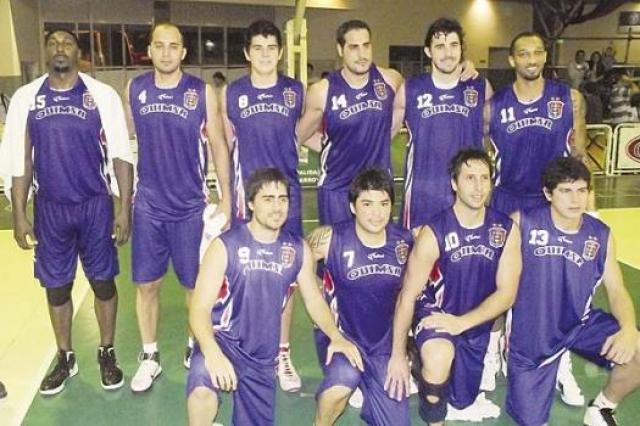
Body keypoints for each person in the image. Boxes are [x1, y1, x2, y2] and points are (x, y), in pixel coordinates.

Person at [0, 29, 133, 395]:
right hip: (51, 209)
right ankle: (65, 356)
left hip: (95, 206)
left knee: (103, 282)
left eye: (68, 43)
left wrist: (124, 208)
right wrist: (19, 213)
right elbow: (20, 160)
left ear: (79, 52)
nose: (60, 48)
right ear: (46, 51)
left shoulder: (101, 96)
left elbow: (121, 154)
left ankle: (106, 351)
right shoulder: (27, 98)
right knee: (57, 288)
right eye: (53, 43)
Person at [187, 168, 362, 426]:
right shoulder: (225, 246)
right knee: (202, 389)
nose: (277, 207)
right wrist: (211, 351)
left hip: (261, 355)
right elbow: (199, 308)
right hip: (222, 341)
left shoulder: (297, 250)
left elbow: (314, 300)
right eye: (268, 199)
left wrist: (336, 336)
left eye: (283, 199)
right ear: (250, 204)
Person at [125, 22, 232, 393]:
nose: (167, 53)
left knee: (194, 286)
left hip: (190, 207)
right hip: (149, 206)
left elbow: (218, 145)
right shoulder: (135, 88)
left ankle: (193, 343)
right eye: (160, 45)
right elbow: (124, 142)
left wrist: (227, 197)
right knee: (147, 285)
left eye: (174, 46)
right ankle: (150, 355)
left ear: (184, 52)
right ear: (149, 51)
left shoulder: (201, 92)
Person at [484, 30, 588, 405]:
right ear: (512, 60)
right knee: (499, 284)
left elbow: (579, 156)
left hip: (552, 205)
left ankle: (560, 363)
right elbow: (483, 161)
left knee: (556, 290)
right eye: (524, 54)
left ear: (545, 56)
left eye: (538, 53)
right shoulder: (493, 107)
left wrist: (582, 207)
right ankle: (492, 354)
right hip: (506, 201)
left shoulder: (569, 99)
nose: (532, 60)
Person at [386, 149, 521, 424]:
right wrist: (396, 354)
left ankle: (424, 365)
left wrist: (461, 323)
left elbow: (507, 294)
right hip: (436, 313)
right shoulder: (434, 232)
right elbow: (407, 296)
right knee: (438, 360)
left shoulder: (505, 230)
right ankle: (430, 406)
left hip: (474, 322)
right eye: (470, 178)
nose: (478, 186)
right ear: (454, 183)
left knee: (461, 401)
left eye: (484, 178)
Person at [506, 156, 640, 426]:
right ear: (548, 194)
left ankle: (602, 408)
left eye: (581, 190)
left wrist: (628, 329)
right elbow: (496, 280)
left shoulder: (600, 235)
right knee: (531, 421)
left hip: (580, 324)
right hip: (533, 334)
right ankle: (550, 368)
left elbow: (616, 290)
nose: (575, 199)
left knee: (638, 350)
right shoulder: (522, 223)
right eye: (566, 191)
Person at [221, 19, 304, 392]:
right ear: (247, 53)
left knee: (287, 278)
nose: (266, 54)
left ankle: (281, 353)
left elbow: (308, 131)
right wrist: (226, 197)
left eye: (272, 48)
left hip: (287, 199)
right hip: (247, 198)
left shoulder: (295, 91)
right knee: (245, 275)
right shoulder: (232, 93)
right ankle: (243, 350)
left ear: (281, 52)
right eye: (258, 48)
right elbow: (225, 145)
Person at [308, 168, 413, 426]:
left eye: (383, 204)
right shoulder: (330, 239)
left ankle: (369, 388)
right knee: (342, 382)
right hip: (342, 339)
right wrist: (322, 311)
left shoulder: (404, 242)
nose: (377, 213)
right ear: (353, 207)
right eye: (367, 204)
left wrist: (400, 354)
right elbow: (300, 262)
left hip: (383, 347)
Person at [296, 19, 402, 226]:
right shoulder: (322, 91)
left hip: (377, 188)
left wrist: (383, 136)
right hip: (337, 188)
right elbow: (299, 135)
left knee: (378, 246)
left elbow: (401, 107)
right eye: (354, 47)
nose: (362, 54)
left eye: (366, 45)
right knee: (336, 246)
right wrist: (327, 146)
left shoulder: (390, 80)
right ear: (340, 50)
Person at [393, 18, 492, 230]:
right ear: (428, 51)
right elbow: (382, 135)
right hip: (422, 195)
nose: (448, 53)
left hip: (467, 195)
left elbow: (495, 135)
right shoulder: (410, 89)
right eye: (440, 46)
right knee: (419, 251)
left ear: (462, 49)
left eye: (454, 45)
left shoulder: (481, 88)